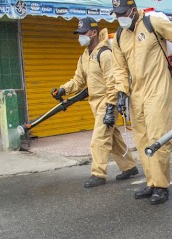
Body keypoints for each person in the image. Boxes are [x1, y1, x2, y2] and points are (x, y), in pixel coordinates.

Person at [110, 0, 172, 205]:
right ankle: (151, 181)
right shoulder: (120, 35)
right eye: (117, 13)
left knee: (158, 138)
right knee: (142, 140)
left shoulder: (152, 23)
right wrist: (121, 93)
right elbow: (119, 68)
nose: (121, 17)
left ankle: (162, 186)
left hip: (158, 90)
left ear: (132, 9)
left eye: (123, 12)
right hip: (136, 94)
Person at [52, 17, 138, 188]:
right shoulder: (85, 56)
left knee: (99, 139)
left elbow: (113, 83)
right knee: (112, 138)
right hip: (95, 103)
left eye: (83, 33)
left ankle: (98, 173)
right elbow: (78, 80)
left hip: (107, 103)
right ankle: (129, 167)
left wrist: (110, 108)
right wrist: (63, 89)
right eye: (78, 33)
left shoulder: (105, 54)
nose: (80, 37)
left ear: (93, 33)